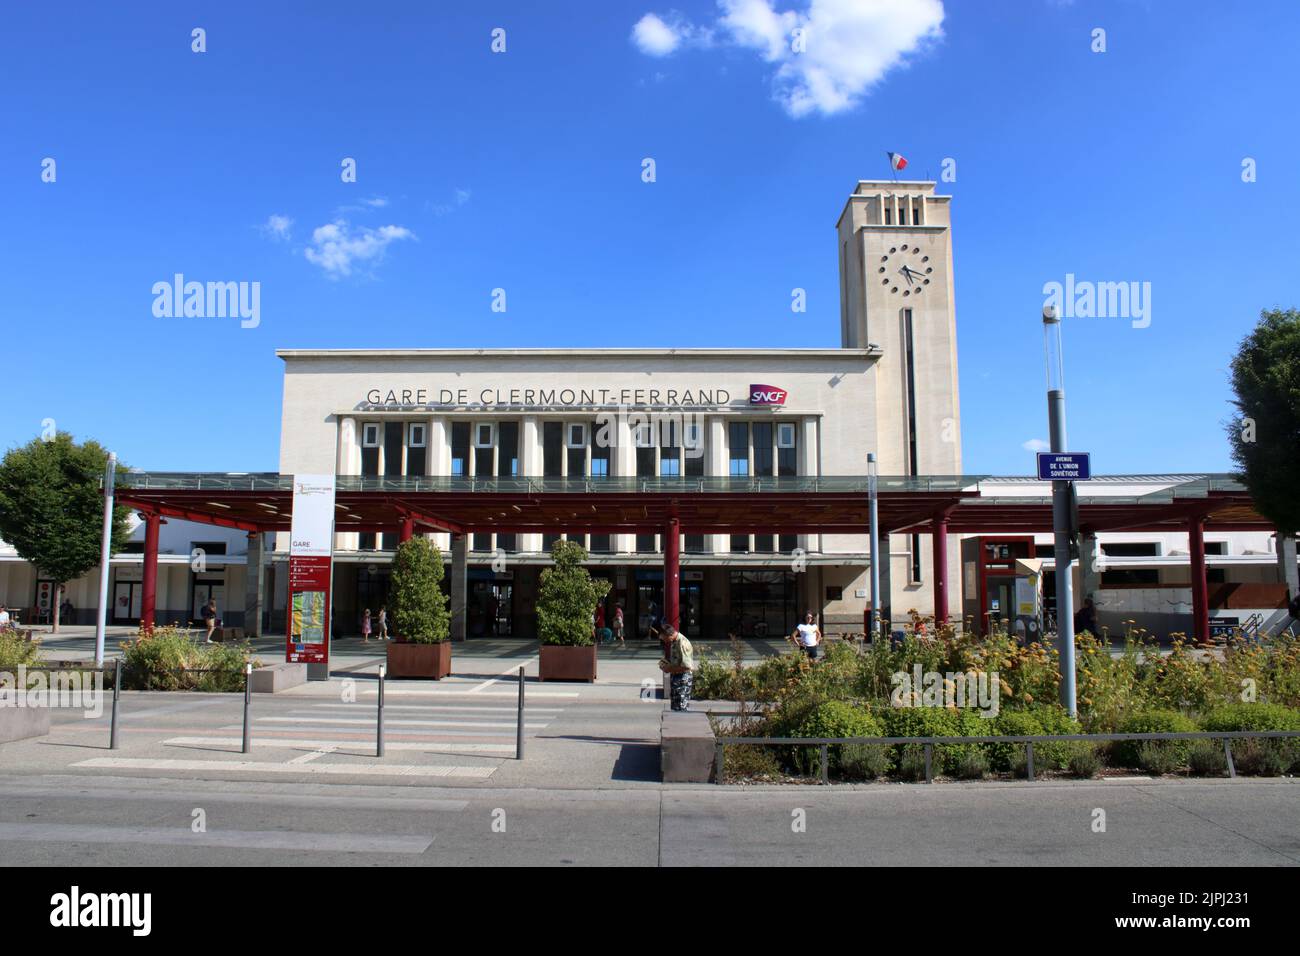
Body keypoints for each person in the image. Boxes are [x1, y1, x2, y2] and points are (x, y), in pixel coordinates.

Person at [658, 623, 696, 711]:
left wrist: (670, 669)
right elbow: (677, 660)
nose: (665, 641)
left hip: (683, 680)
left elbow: (687, 667)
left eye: (664, 638)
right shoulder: (674, 641)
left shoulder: (682, 643)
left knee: (681, 708)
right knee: (675, 708)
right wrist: (666, 664)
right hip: (676, 679)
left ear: (669, 635)